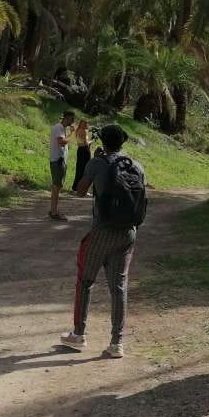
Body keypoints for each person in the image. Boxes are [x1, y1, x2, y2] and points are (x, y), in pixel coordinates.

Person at [59, 124, 146, 358]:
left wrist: (94, 161)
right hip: (128, 232)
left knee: (85, 281)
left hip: (102, 231)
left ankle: (78, 334)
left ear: (103, 142)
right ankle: (117, 343)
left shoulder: (98, 163)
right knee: (118, 287)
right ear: (122, 142)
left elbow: (80, 190)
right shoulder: (136, 165)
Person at [48, 111, 75, 221]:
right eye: (72, 119)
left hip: (59, 161)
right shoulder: (58, 127)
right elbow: (62, 142)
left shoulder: (61, 128)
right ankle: (54, 212)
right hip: (57, 161)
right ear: (66, 118)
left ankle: (53, 210)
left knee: (57, 186)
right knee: (56, 187)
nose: (73, 121)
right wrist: (72, 134)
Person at [71, 120, 93, 195]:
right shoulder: (84, 131)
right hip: (84, 150)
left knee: (79, 168)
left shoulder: (78, 130)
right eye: (85, 124)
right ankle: (83, 189)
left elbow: (80, 142)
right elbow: (86, 143)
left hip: (80, 150)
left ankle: (75, 187)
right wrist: (91, 141)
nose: (86, 125)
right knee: (85, 169)